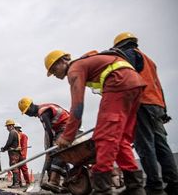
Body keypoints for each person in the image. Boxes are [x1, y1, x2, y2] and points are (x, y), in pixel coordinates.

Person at [44, 49, 147, 194]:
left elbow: (77, 106)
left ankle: (102, 190)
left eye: (54, 69)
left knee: (103, 137)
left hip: (118, 82)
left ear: (63, 61)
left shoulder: (74, 69)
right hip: (134, 83)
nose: (54, 74)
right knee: (121, 139)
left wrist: (67, 136)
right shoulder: (86, 64)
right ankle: (135, 188)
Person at [113, 32, 178, 195]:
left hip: (141, 104)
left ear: (119, 46)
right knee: (161, 145)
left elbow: (127, 79)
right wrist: (164, 111)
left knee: (144, 145)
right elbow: (158, 86)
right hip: (156, 105)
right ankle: (174, 183)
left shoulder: (128, 55)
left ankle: (154, 185)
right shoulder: (149, 60)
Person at [18, 97, 70, 193]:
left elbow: (49, 131)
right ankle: (67, 181)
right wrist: (48, 147)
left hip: (66, 127)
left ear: (30, 108)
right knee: (58, 155)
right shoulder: (44, 109)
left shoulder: (43, 113)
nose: (28, 115)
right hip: (65, 127)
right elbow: (48, 131)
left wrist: (50, 148)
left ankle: (54, 181)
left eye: (26, 112)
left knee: (56, 153)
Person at [1, 119, 21, 188]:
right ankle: (15, 183)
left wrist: (4, 149)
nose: (7, 128)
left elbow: (9, 142)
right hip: (14, 152)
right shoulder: (14, 132)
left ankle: (16, 184)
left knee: (14, 167)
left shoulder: (12, 132)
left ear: (11, 126)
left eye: (8, 126)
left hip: (14, 153)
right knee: (13, 167)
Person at [14, 123, 31, 187]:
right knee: (17, 169)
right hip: (16, 155)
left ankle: (28, 182)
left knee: (24, 169)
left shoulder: (23, 136)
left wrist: (22, 155)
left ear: (18, 128)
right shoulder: (16, 136)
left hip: (21, 155)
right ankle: (19, 183)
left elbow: (24, 146)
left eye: (15, 128)